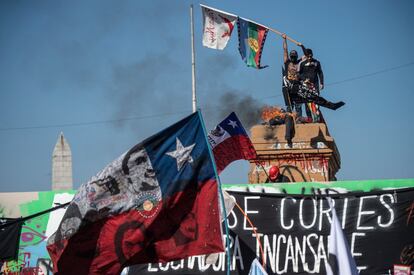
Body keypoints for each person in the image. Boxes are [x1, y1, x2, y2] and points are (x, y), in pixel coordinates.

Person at [282, 34, 306, 116]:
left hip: (297, 86)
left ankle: (298, 119)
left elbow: (306, 56)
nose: (293, 58)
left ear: (296, 56)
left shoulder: (299, 62)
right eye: (291, 56)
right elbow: (285, 50)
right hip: (288, 87)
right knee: (289, 106)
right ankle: (289, 120)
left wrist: (302, 46)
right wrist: (284, 39)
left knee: (298, 106)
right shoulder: (287, 62)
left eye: (294, 57)